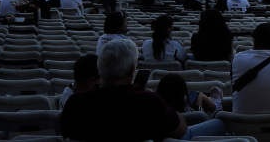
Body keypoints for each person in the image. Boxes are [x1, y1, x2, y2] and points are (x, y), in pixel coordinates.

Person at [60, 38, 228, 141]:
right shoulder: (147, 101)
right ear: (132, 71)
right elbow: (180, 129)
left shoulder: (75, 102)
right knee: (220, 122)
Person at [156, 73, 220, 118]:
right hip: (196, 128)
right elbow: (200, 120)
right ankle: (217, 106)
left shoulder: (156, 112)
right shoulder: (189, 112)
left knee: (197, 95)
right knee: (198, 96)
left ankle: (215, 106)